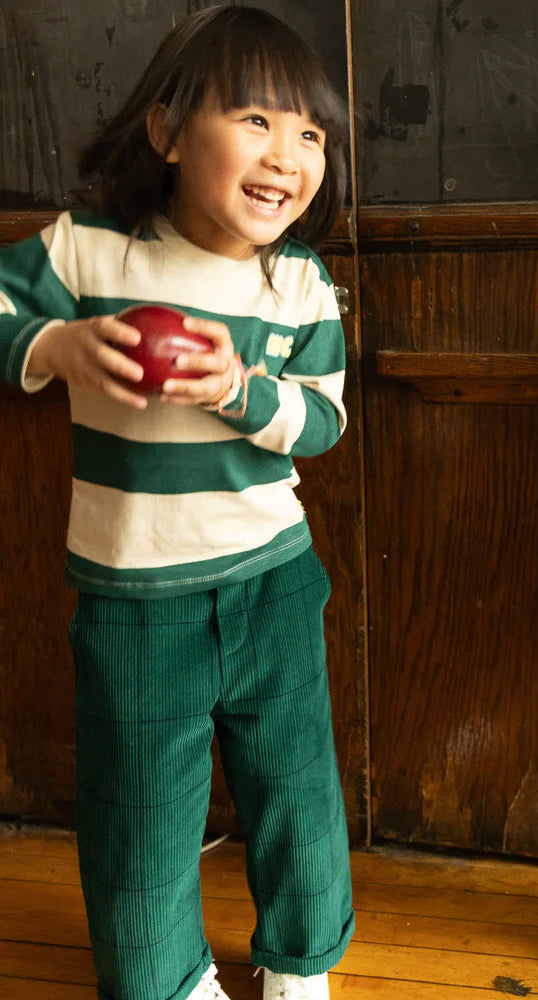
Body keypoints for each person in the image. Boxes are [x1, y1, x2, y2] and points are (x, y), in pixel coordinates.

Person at [0, 7, 354, 1000]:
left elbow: (323, 420)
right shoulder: (91, 250)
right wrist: (53, 346)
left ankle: (300, 953)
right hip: (132, 600)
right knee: (142, 804)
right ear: (166, 132)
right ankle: (161, 975)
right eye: (256, 120)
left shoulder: (298, 283)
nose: (288, 155)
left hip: (275, 579)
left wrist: (239, 393)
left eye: (311, 134)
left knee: (295, 785)